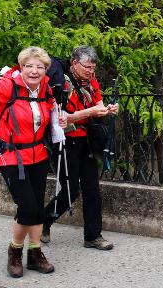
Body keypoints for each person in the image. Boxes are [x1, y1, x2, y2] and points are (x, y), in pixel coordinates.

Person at [0, 46, 65, 278]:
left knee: (37, 206)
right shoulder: (5, 86)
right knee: (27, 207)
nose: (34, 71)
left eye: (40, 67)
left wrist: (59, 121)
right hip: (10, 156)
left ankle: (35, 254)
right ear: (21, 67)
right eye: (29, 66)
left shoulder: (46, 88)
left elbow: (45, 112)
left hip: (38, 153)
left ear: (46, 69)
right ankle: (15, 252)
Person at [40, 46, 118, 250]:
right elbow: (61, 118)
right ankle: (44, 221)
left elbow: (98, 105)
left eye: (93, 67)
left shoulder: (91, 81)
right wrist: (91, 111)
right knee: (70, 190)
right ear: (75, 63)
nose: (91, 71)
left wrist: (107, 110)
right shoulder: (59, 83)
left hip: (87, 141)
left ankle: (93, 236)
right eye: (87, 67)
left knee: (92, 189)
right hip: (66, 141)